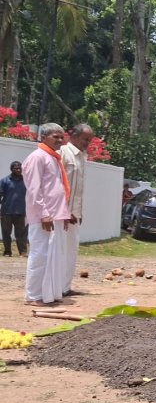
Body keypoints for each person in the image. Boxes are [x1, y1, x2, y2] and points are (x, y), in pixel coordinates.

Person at [22, 123, 72, 306]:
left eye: (61, 137)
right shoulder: (37, 157)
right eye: (55, 137)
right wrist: (44, 213)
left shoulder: (53, 158)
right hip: (43, 217)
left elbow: (57, 189)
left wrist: (64, 214)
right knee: (40, 255)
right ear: (43, 137)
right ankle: (33, 296)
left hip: (56, 216)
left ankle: (49, 294)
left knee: (54, 256)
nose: (60, 140)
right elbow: (34, 189)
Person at [60, 124, 94, 296]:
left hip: (75, 214)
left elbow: (78, 189)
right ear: (73, 136)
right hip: (62, 214)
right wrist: (64, 210)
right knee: (59, 251)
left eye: (89, 140)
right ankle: (55, 288)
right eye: (85, 139)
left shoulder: (82, 157)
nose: (87, 143)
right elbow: (57, 184)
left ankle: (65, 287)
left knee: (71, 251)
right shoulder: (63, 153)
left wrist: (79, 211)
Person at [1, 161, 28, 257]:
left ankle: (22, 252)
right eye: (16, 168)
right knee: (6, 233)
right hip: (6, 212)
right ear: (11, 169)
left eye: (20, 168)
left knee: (21, 234)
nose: (18, 170)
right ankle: (7, 252)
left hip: (21, 212)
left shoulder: (26, 181)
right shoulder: (4, 181)